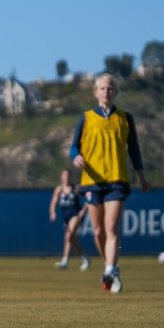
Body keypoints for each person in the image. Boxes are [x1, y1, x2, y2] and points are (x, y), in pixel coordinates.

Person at [70, 73, 149, 294]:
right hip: (92, 181)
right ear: (95, 92)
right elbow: (74, 147)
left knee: (111, 227)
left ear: (116, 92)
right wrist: (75, 157)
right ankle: (111, 266)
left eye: (111, 88)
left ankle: (110, 269)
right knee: (98, 232)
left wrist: (142, 177)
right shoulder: (86, 118)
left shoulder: (125, 118)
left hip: (117, 180)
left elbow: (134, 150)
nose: (107, 91)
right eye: (103, 88)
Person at [48, 168, 90, 271]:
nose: (66, 177)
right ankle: (85, 258)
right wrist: (53, 212)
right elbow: (53, 203)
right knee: (71, 238)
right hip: (65, 217)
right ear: (61, 177)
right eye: (64, 175)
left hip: (76, 215)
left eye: (68, 175)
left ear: (70, 177)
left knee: (68, 235)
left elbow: (88, 198)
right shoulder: (59, 189)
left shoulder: (76, 188)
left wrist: (83, 211)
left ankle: (65, 261)